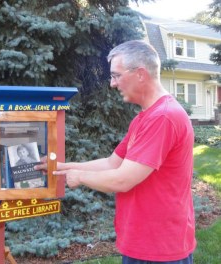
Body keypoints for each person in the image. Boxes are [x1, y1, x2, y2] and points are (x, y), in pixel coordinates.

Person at [35, 40, 196, 263]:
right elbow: (113, 163)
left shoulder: (163, 117)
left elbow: (122, 180)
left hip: (159, 248)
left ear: (140, 74)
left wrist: (80, 177)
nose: (112, 83)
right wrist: (61, 167)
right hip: (143, 242)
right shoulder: (145, 117)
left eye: (116, 75)